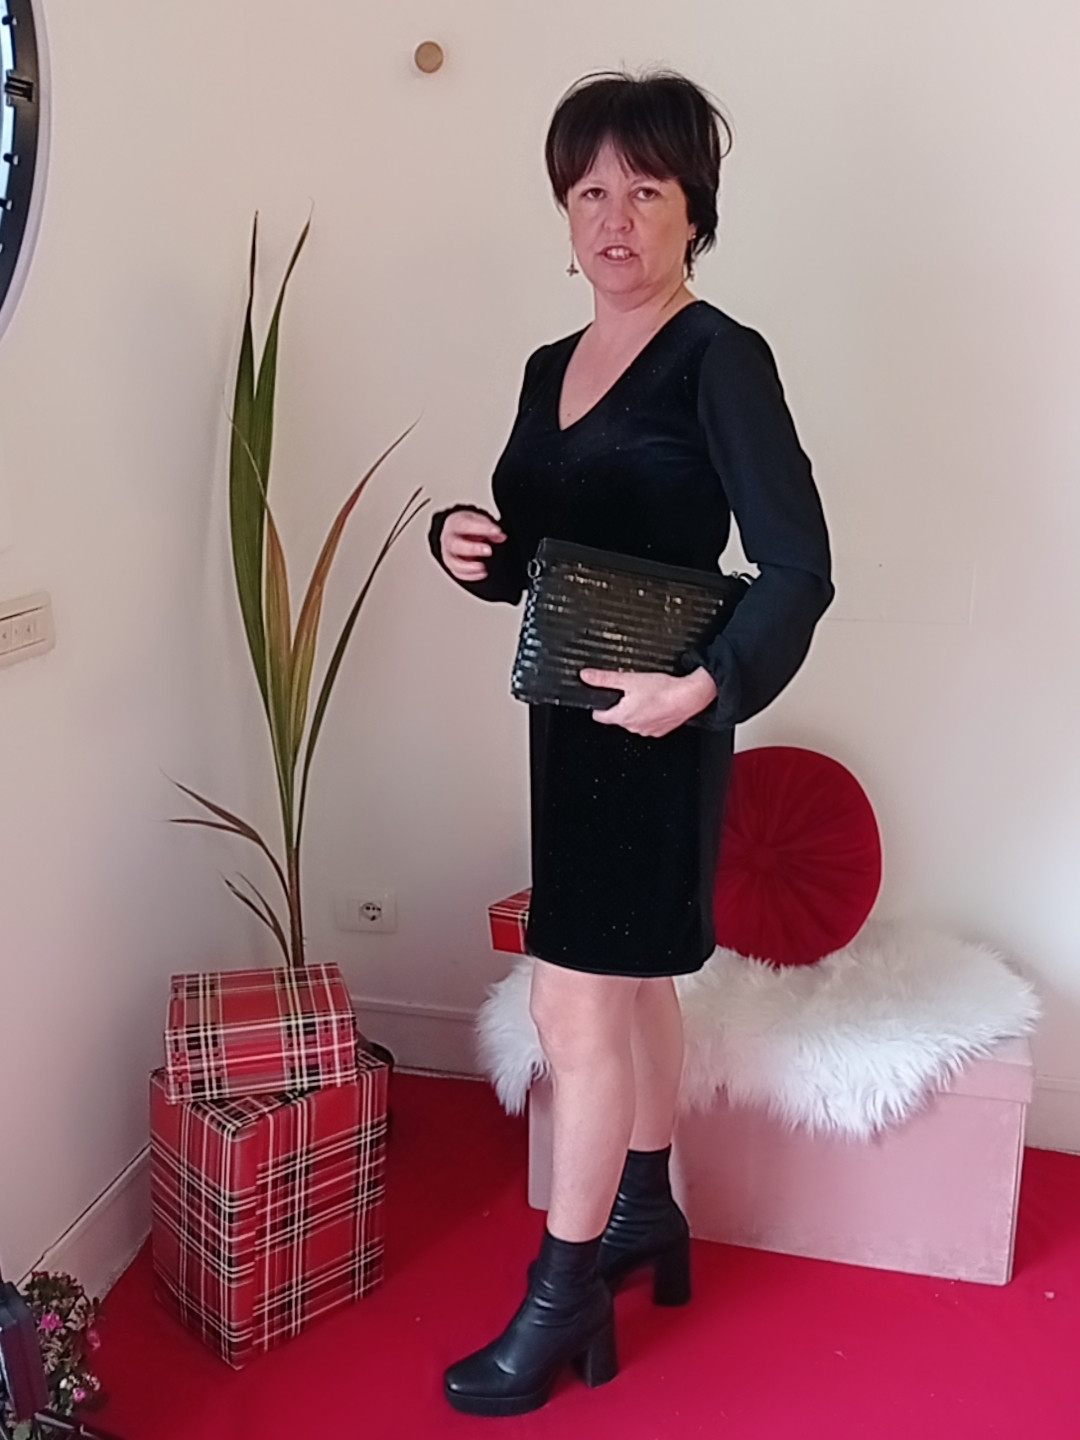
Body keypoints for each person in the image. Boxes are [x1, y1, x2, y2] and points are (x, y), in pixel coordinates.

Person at [429, 70, 833, 1418]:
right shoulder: (549, 367)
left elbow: (798, 568)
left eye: (645, 190)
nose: (614, 217)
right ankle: (649, 1210)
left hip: (661, 730)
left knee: (574, 1005)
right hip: (568, 724)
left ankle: (563, 1298)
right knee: (633, 989)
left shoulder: (722, 358)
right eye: (590, 190)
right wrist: (466, 546)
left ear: (692, 213)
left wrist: (705, 688)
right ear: (565, 212)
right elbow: (541, 549)